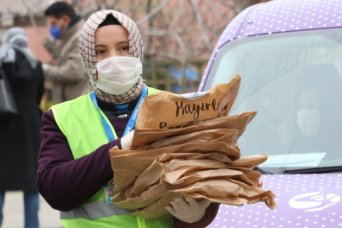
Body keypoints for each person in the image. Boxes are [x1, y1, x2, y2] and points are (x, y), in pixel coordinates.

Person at [37, 10, 219, 228]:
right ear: (87, 58)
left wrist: (198, 216)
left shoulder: (176, 107)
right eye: (100, 51)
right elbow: (56, 191)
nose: (114, 58)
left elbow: (202, 176)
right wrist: (122, 148)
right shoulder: (61, 117)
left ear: (137, 50)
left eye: (124, 48)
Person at [0, 27, 44, 228]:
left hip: (4, 125)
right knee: (31, 182)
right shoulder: (36, 65)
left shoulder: (1, 62)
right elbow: (38, 95)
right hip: (30, 125)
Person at [276, 64, 342, 155]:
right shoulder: (290, 140)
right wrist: (286, 142)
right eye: (301, 107)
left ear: (329, 109)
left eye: (313, 106)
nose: (305, 113)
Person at [42, 1, 88, 104]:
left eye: (54, 24)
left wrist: (45, 70)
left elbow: (74, 72)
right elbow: (63, 59)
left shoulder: (80, 36)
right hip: (69, 105)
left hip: (76, 106)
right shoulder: (68, 37)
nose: (52, 28)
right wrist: (51, 46)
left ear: (65, 20)